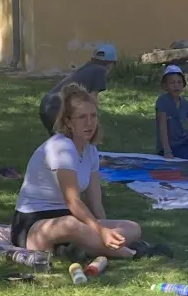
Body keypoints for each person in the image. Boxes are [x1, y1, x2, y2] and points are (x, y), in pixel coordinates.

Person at [12, 83, 164, 260]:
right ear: (68, 121)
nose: (89, 123)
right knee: (71, 224)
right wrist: (101, 232)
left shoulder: (90, 150)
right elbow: (73, 202)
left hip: (72, 219)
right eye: (82, 117)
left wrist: (105, 232)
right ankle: (133, 253)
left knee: (133, 227)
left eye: (93, 116)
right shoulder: (61, 148)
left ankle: (83, 247)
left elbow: (95, 203)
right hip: (33, 225)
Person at [38, 43, 116, 135]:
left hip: (46, 103)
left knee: (58, 142)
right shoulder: (100, 71)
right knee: (72, 140)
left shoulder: (87, 68)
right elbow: (92, 98)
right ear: (110, 64)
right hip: (57, 106)